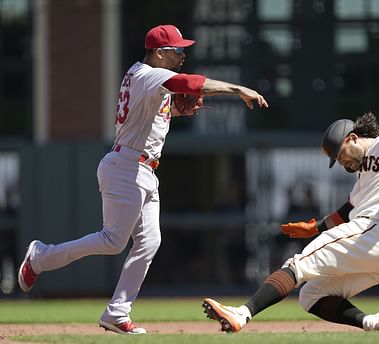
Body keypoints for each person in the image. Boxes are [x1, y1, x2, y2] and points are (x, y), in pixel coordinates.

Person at [17, 24, 268, 335]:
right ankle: (40, 257)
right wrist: (237, 88)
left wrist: (177, 110)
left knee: (150, 241)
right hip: (126, 167)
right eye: (178, 50)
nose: (182, 55)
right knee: (112, 241)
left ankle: (117, 312)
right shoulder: (149, 75)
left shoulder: (146, 79)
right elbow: (191, 83)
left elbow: (155, 109)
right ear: (159, 53)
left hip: (141, 168)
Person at [203, 112, 379, 332]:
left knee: (298, 265)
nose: (341, 162)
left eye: (340, 155)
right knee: (311, 295)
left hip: (375, 233)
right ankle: (374, 322)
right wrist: (316, 228)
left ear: (352, 138)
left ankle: (242, 314)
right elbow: (349, 209)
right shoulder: (363, 175)